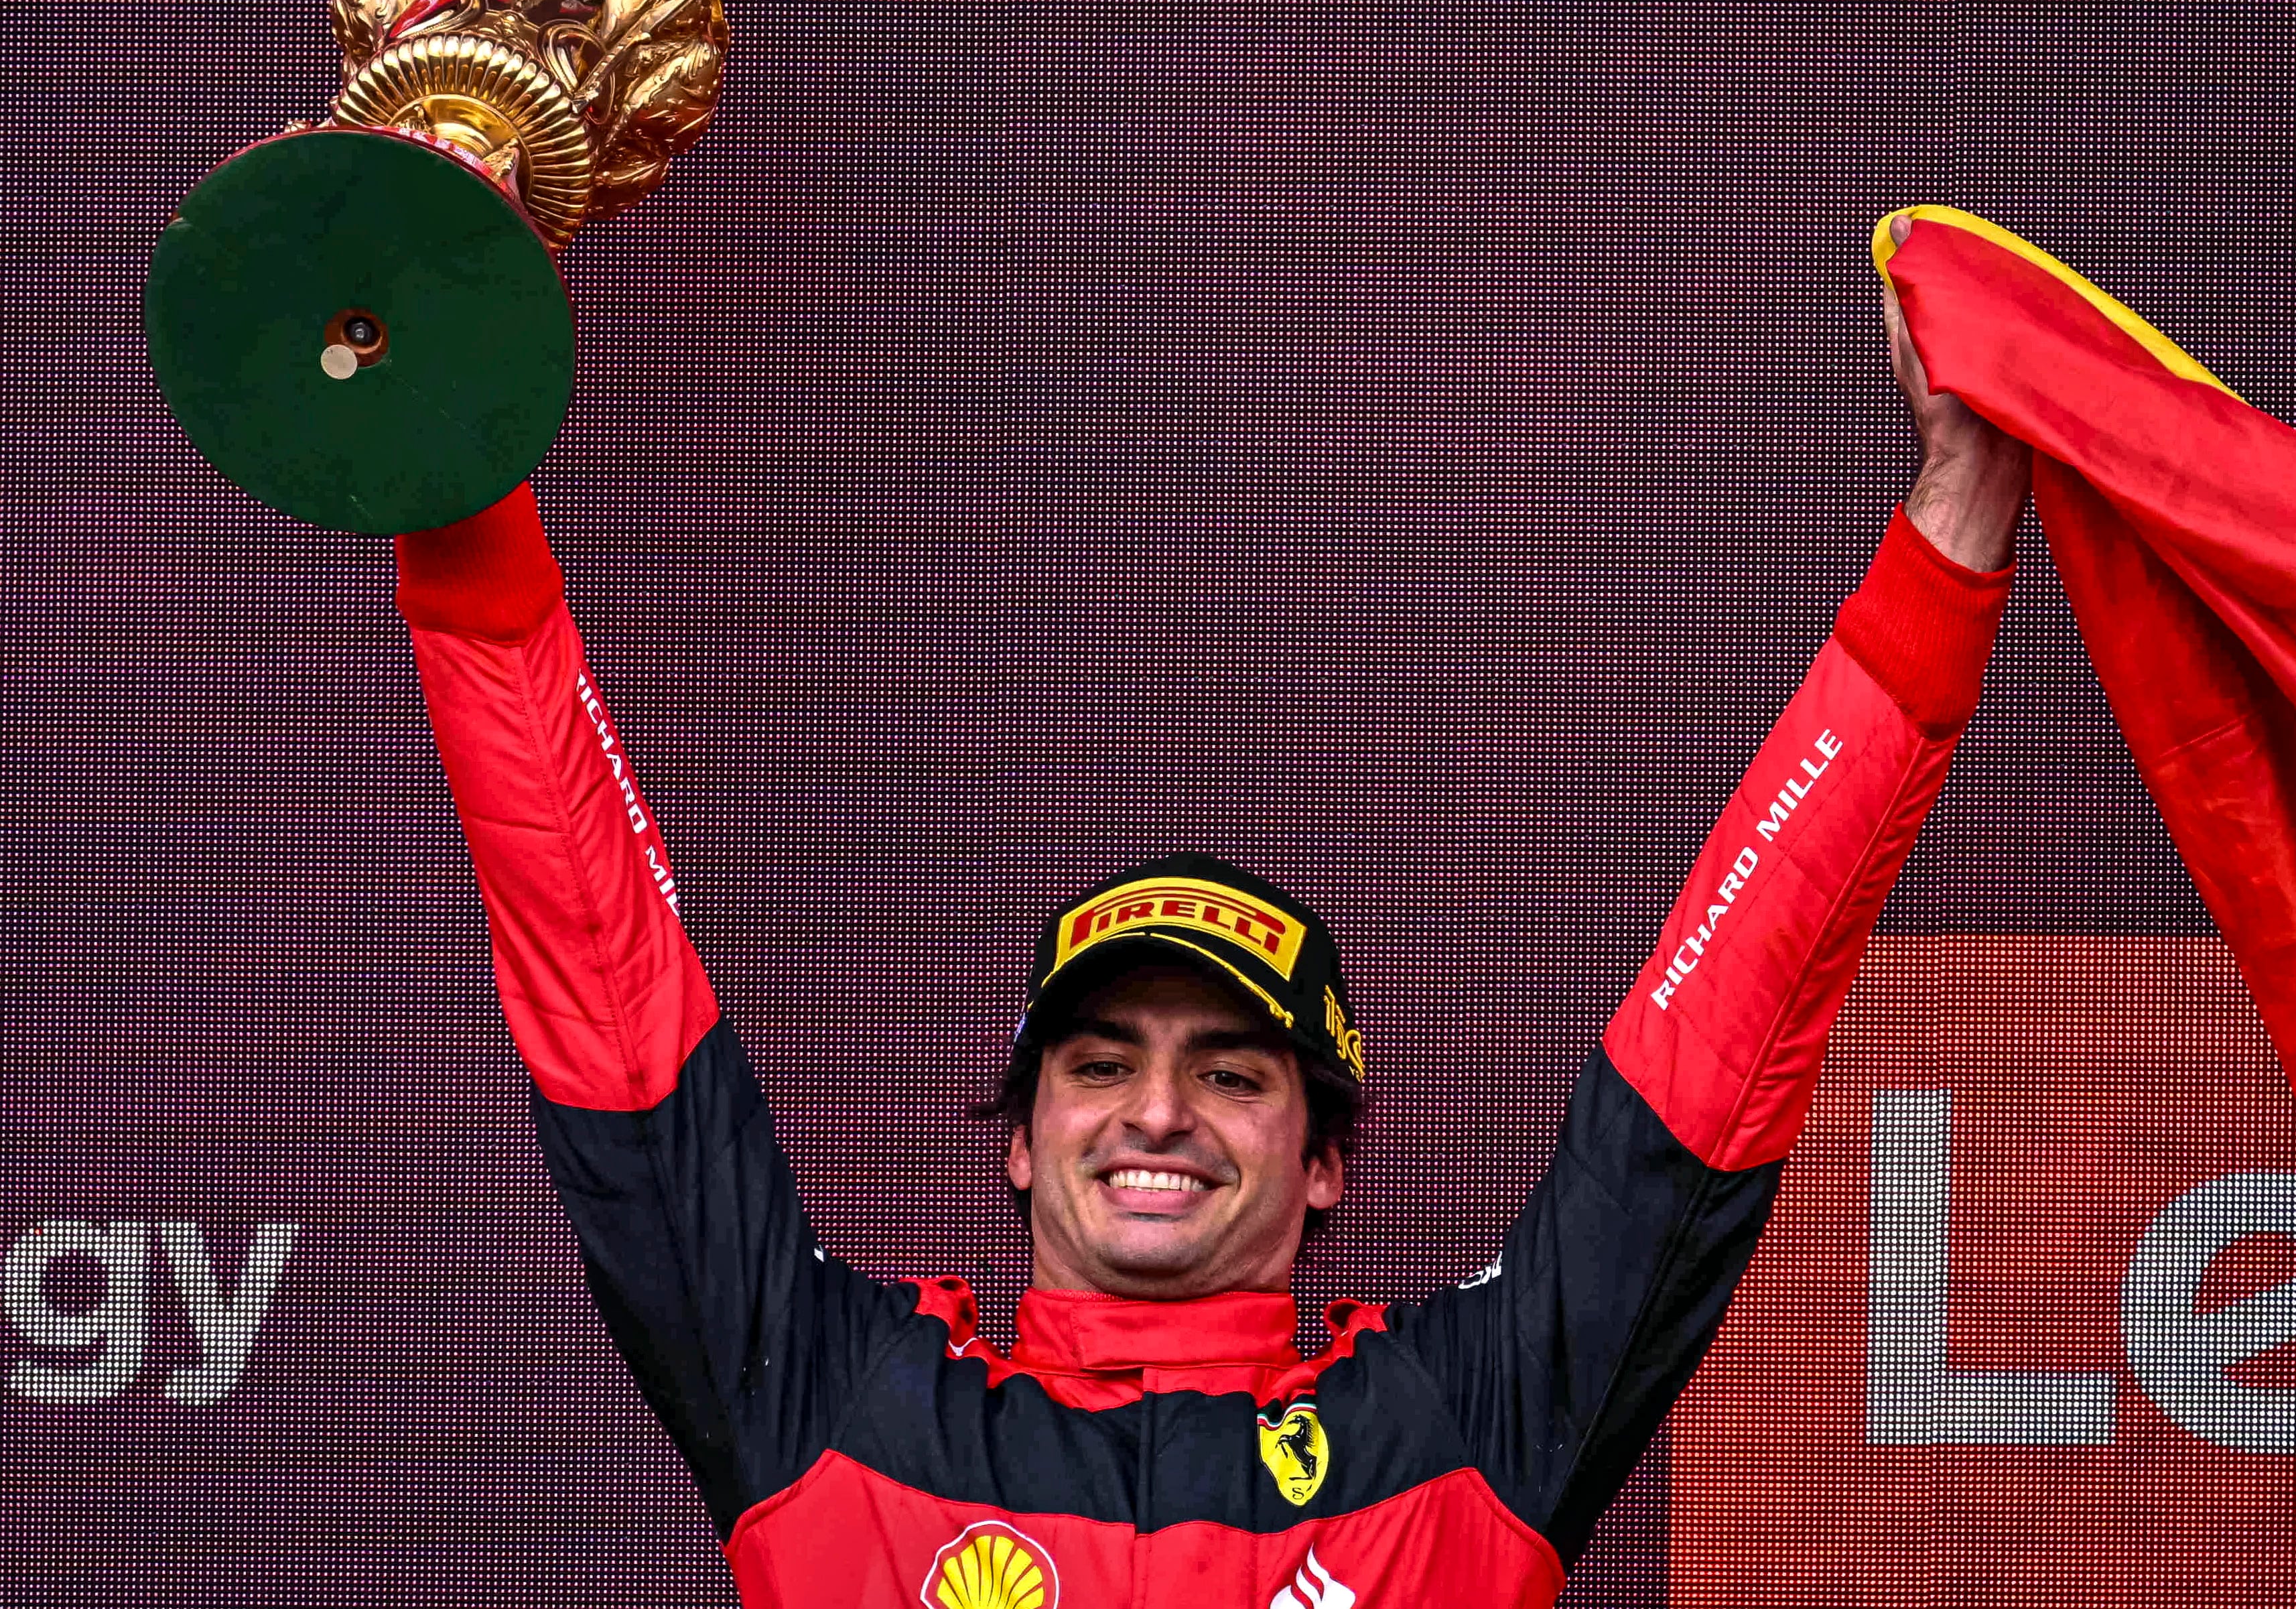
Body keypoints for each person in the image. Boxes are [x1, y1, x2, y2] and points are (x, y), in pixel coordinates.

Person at [393, 221, 2028, 1607]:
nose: (1156, 1112)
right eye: (1096, 1064)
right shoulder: (836, 1399)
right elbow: (600, 968)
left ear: (1324, 1161)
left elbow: (1722, 1031)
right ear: (1020, 1138)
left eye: (1235, 1073)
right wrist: (446, 447)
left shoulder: (1459, 1426)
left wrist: (1950, 536)